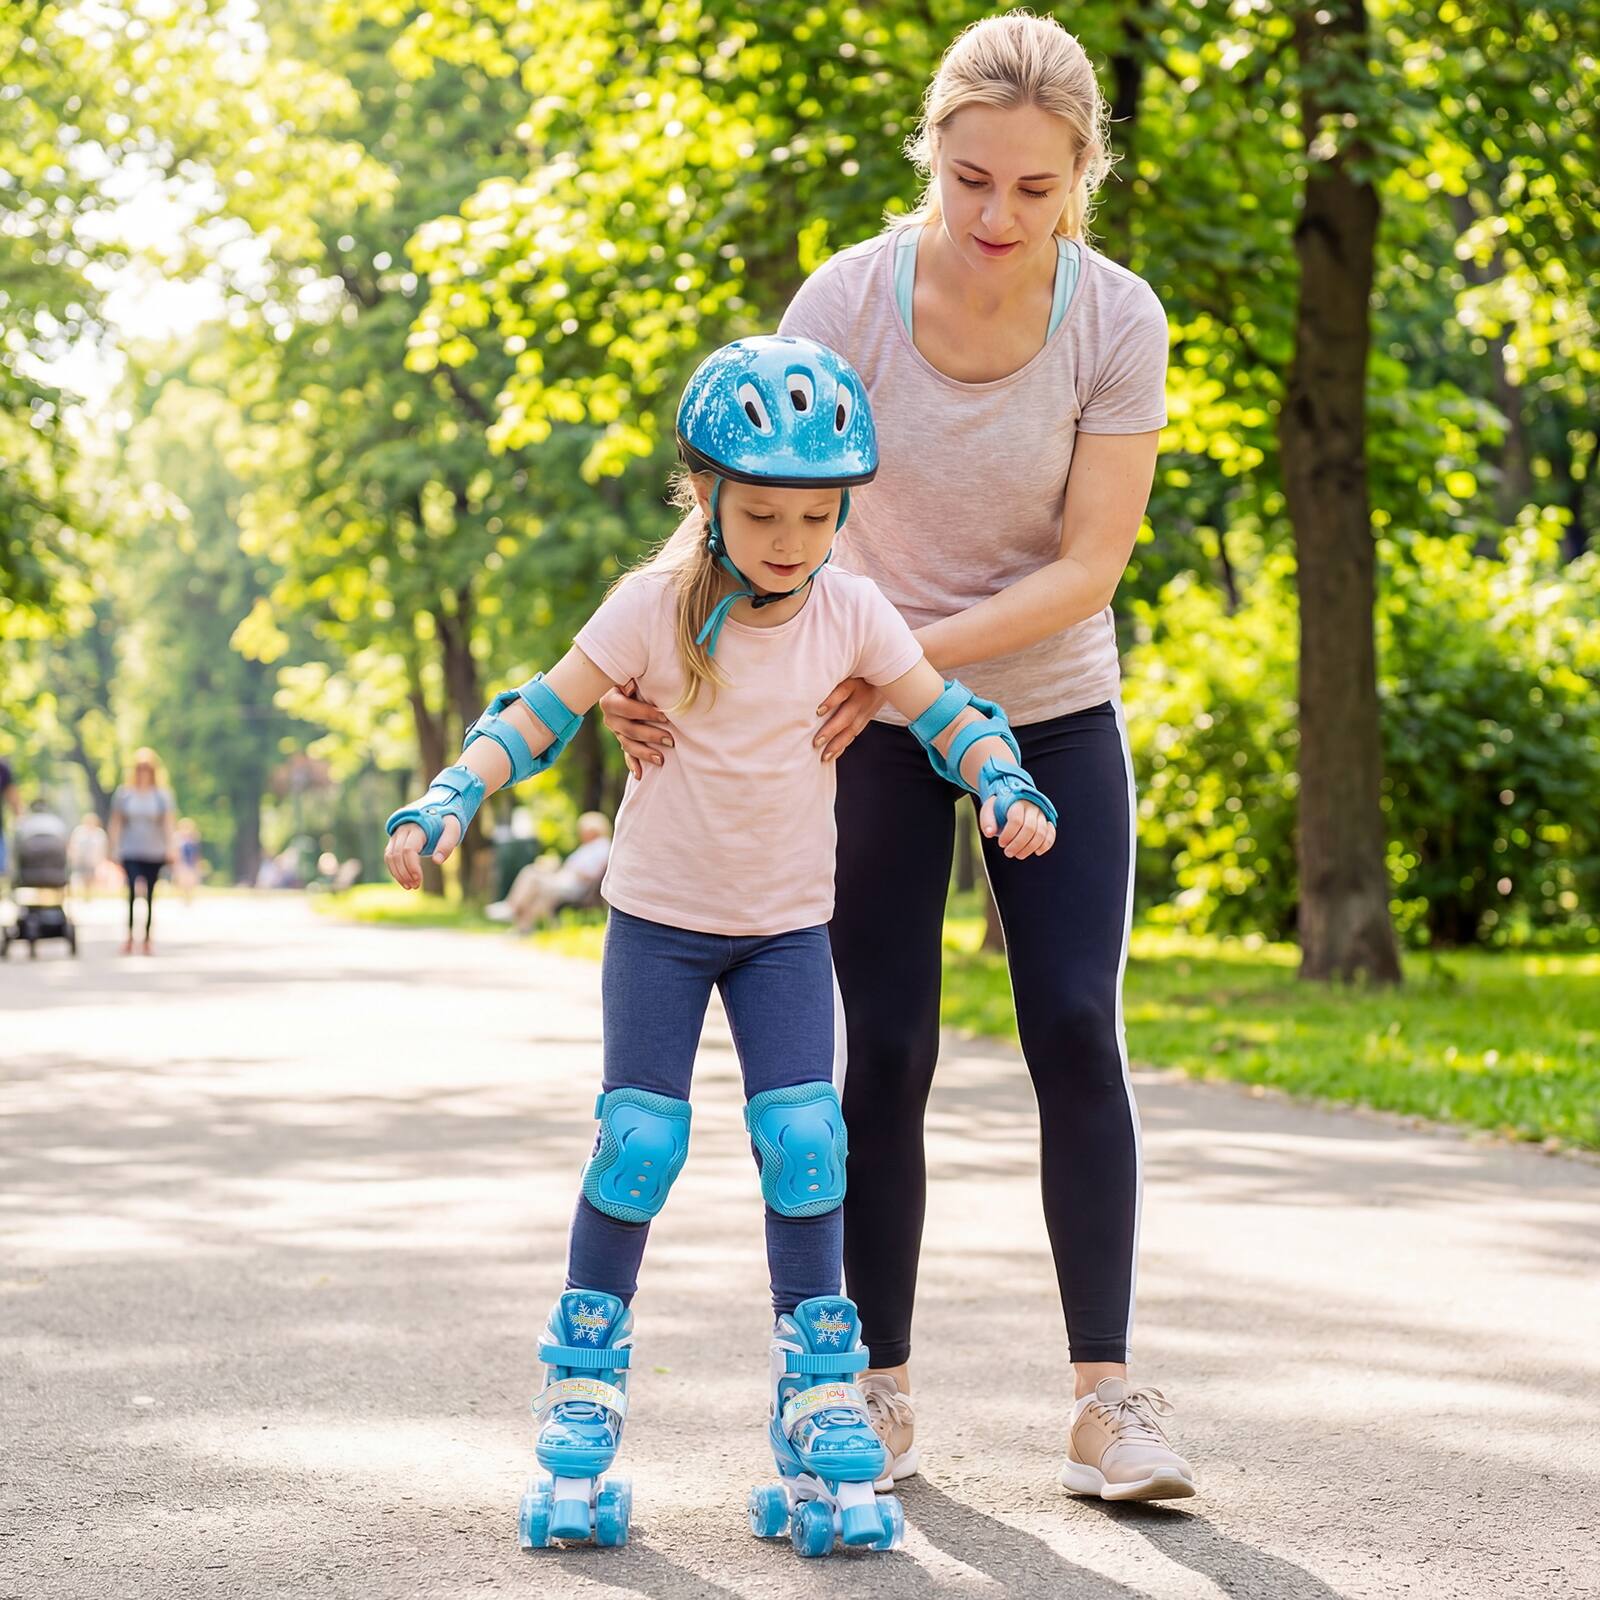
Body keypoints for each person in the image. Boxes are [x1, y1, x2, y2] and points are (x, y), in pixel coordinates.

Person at [602, 13, 1195, 1504]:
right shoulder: (849, 299)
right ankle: (870, 1384)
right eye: (969, 178)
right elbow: (743, 494)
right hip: (851, 718)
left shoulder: (1117, 322)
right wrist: (646, 657)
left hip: (1042, 704)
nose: (996, 217)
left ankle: (1109, 1402)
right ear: (930, 153)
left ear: (1083, 183)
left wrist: (916, 667)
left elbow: (1088, 568)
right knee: (887, 1047)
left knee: (1073, 1024)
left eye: (1034, 191)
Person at [384, 336, 1057, 1554]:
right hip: (658, 923)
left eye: (816, 512)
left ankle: (817, 1400)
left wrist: (1001, 778)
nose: (791, 537)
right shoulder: (651, 605)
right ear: (704, 495)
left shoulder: (851, 609)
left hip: (787, 930)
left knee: (806, 1142)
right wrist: (447, 798)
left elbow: (944, 711)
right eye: (760, 512)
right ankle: (583, 1379)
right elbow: (541, 709)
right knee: (639, 1139)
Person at [487, 811, 613, 932]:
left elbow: (594, 874)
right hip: (565, 881)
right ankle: (523, 927)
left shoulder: (602, 846)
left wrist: (573, 870)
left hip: (575, 886)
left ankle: (511, 908)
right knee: (536, 884)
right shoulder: (587, 847)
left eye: (584, 830)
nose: (581, 833)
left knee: (532, 875)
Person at [107, 748, 176, 955]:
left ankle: (146, 938)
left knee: (150, 895)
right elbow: (116, 823)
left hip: (154, 851)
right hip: (131, 849)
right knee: (131, 891)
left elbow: (168, 824)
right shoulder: (124, 795)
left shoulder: (162, 796)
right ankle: (129, 936)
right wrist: (113, 848)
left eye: (147, 768)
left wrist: (171, 848)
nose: (143, 772)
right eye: (139, 768)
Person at [67, 813, 109, 899]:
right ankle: (81, 895)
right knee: (79, 877)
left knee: (90, 878)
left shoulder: (99, 834)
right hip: (80, 859)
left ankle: (88, 895)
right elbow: (73, 844)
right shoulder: (79, 831)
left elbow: (102, 848)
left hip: (92, 860)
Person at [173, 818, 204, 903]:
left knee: (190, 882)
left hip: (191, 864)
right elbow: (176, 853)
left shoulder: (194, 839)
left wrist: (198, 864)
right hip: (182, 864)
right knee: (182, 881)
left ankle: (189, 896)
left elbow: (197, 853)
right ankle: (183, 896)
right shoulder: (177, 839)